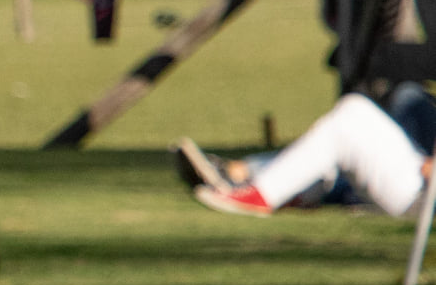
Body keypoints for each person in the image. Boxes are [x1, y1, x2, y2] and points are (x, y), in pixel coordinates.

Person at [183, 85, 433, 218]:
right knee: (404, 97)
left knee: (350, 119)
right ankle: (263, 181)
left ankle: (259, 189)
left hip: (424, 195)